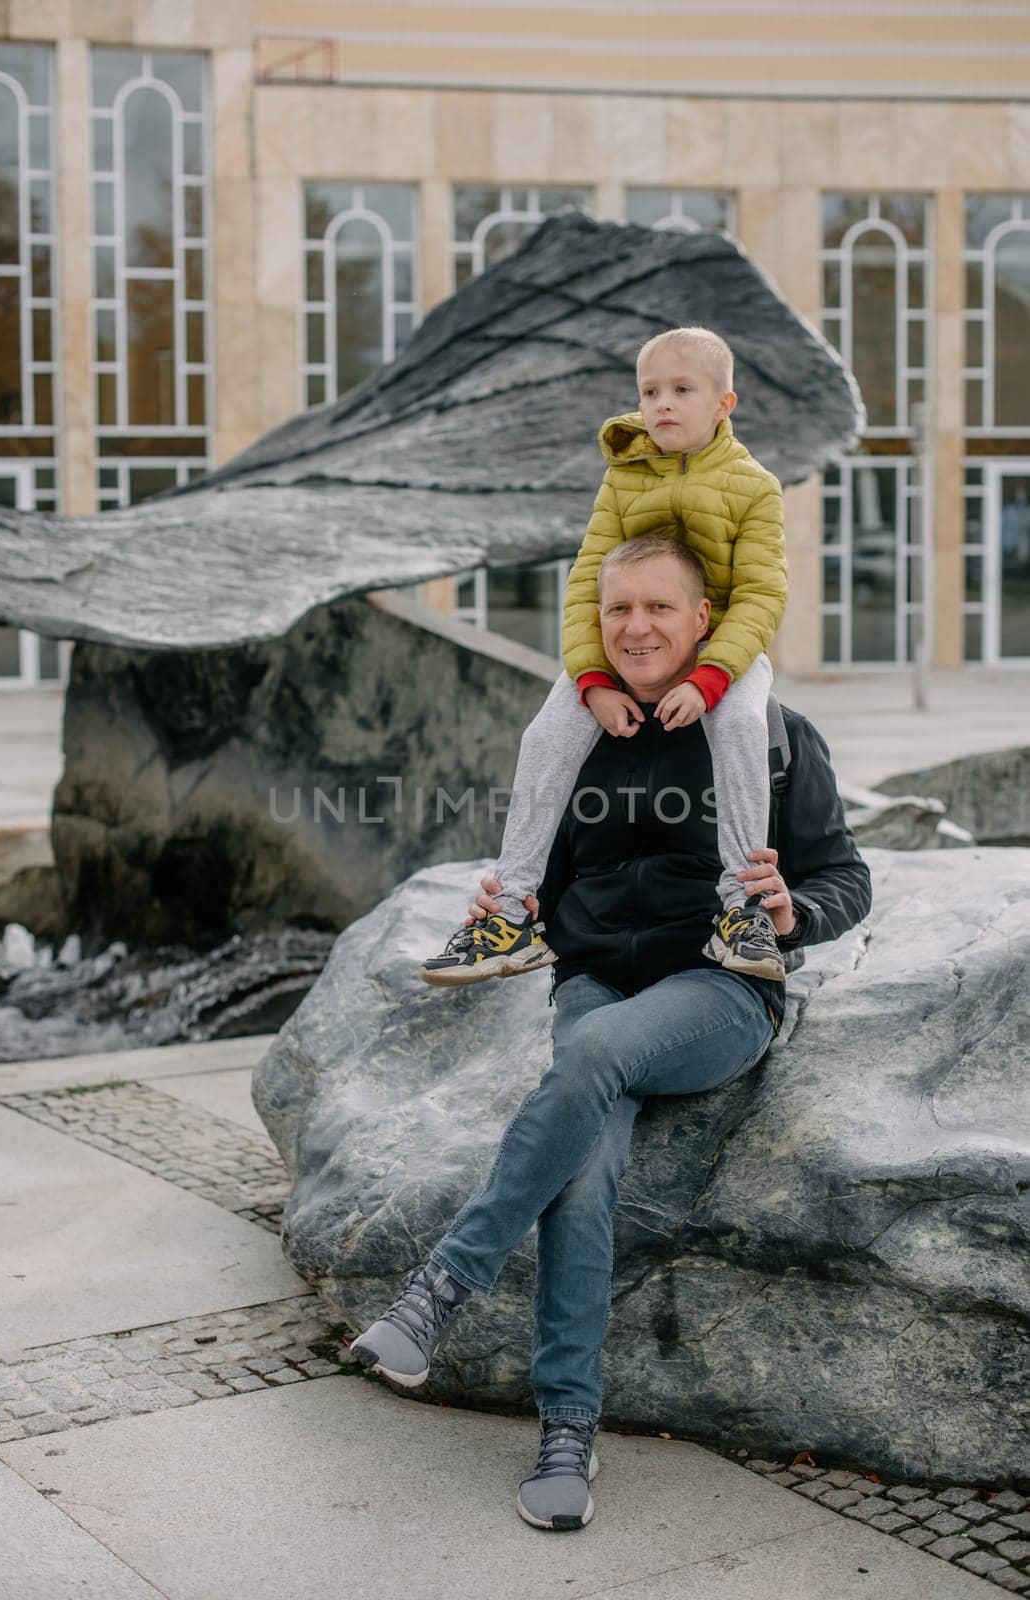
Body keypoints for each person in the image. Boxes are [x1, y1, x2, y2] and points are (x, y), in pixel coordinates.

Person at [350, 539, 871, 1532]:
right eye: (616, 607)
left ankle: (443, 1284)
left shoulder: (769, 733)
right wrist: (509, 894)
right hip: (594, 985)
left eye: (658, 609)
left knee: (589, 1055)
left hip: (721, 991)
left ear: (705, 618)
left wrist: (792, 907)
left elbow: (850, 877)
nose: (634, 627)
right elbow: (544, 886)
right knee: (582, 1167)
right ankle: (566, 1428)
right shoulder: (576, 737)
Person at [419, 325, 789, 989]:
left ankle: (742, 910)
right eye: (650, 391)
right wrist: (591, 680)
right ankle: (508, 918)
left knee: (740, 727)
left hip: (723, 646)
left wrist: (711, 677)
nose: (662, 404)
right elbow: (590, 583)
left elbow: (762, 596)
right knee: (546, 734)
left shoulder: (753, 487)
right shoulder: (623, 476)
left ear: (723, 405)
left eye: (682, 389)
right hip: (624, 649)